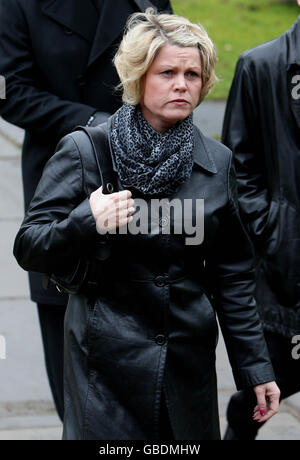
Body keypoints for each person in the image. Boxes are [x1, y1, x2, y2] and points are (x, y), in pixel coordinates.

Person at [13, 10, 280, 440]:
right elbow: (29, 246)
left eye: (193, 73)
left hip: (186, 368)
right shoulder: (87, 150)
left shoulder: (215, 162)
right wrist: (86, 220)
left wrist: (255, 368)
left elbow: (232, 276)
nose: (182, 83)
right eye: (168, 72)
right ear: (138, 78)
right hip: (104, 372)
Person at [0, 0, 172, 421]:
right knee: (74, 376)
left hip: (146, 172)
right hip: (61, 178)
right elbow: (11, 91)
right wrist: (97, 123)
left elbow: (172, 60)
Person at [221, 1, 300, 440]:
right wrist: (272, 228)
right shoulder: (262, 65)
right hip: (282, 262)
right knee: (262, 391)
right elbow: (239, 165)